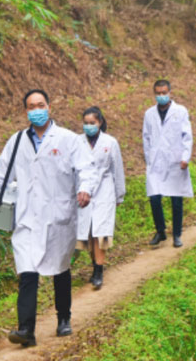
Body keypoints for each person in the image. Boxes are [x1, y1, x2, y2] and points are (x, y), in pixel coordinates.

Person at [0, 89, 98, 348]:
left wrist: (85, 189)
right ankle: (26, 329)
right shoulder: (16, 141)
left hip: (58, 217)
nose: (36, 110)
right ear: (26, 111)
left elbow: (87, 169)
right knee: (27, 272)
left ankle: (64, 318)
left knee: (60, 269)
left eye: (40, 105)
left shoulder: (68, 139)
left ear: (49, 107)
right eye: (31, 106)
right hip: (26, 218)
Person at [76, 106, 125, 290]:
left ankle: (99, 270)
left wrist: (119, 195)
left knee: (101, 231)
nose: (89, 126)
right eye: (86, 123)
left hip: (105, 191)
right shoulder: (77, 142)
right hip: (83, 192)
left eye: (92, 123)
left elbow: (117, 170)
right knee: (88, 232)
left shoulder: (110, 142)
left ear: (100, 122)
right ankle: (94, 263)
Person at [142, 80, 193, 248]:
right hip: (156, 161)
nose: (161, 96)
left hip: (175, 161)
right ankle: (160, 231)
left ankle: (177, 234)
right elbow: (146, 137)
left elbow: (187, 136)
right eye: (158, 93)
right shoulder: (149, 114)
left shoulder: (180, 111)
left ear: (170, 92)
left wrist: (185, 157)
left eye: (164, 92)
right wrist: (149, 158)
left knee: (176, 199)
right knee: (154, 197)